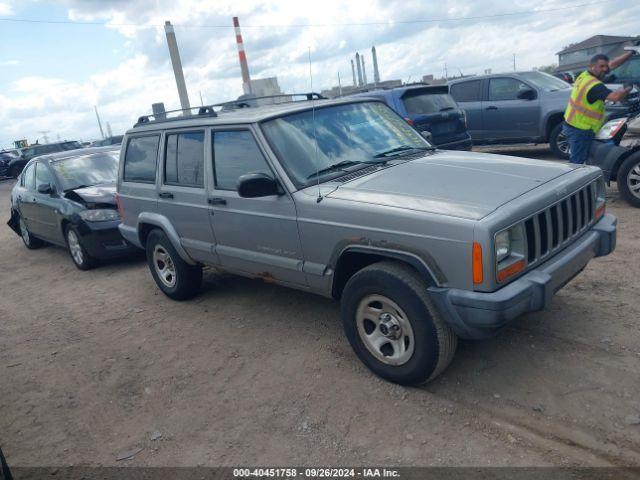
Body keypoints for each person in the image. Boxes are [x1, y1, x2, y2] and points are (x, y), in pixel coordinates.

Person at [563, 48, 636, 164]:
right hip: (581, 130)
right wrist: (628, 88)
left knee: (582, 158)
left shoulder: (584, 75)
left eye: (605, 66)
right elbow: (615, 97)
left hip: (571, 124)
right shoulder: (594, 85)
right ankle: (575, 181)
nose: (605, 69)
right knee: (577, 163)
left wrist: (631, 53)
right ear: (592, 66)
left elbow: (612, 64)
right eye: (601, 67)